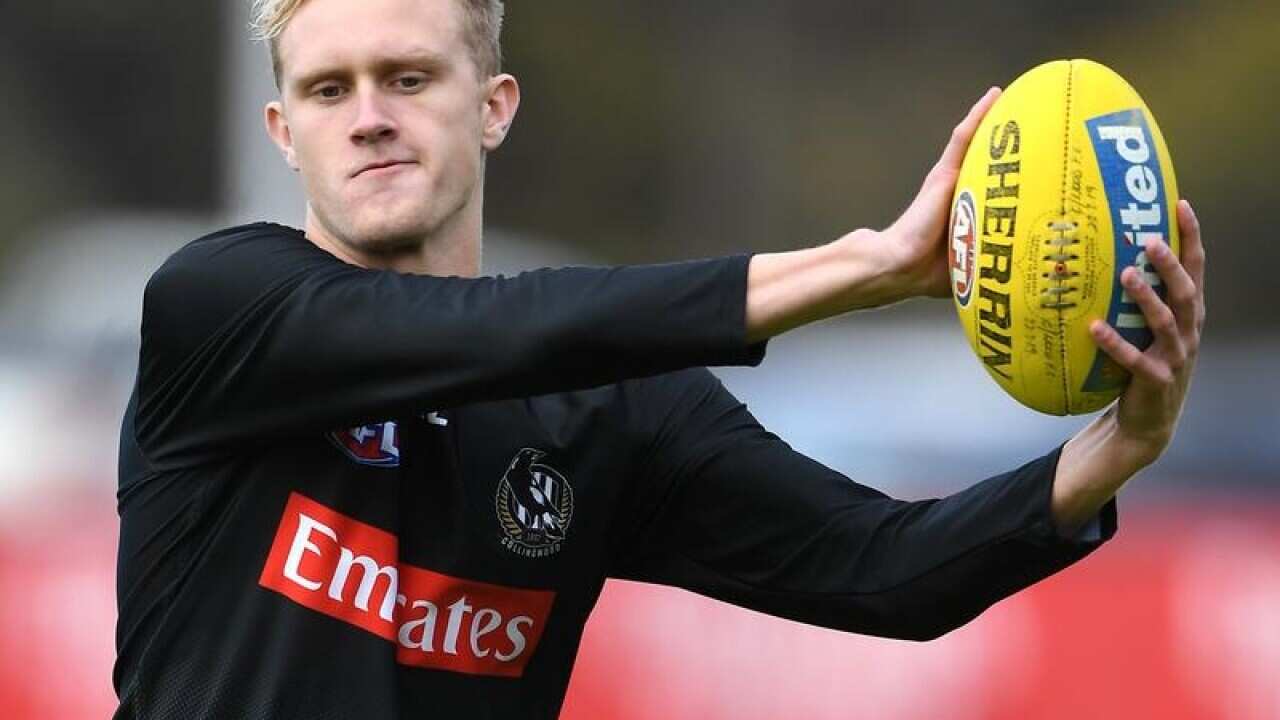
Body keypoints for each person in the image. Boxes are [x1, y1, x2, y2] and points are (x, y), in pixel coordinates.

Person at [113, 0, 1206, 717]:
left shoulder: (611, 411)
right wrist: (859, 267)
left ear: (492, 110)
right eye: (326, 89)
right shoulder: (220, 310)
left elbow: (883, 568)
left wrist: (1118, 449)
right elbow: (504, 331)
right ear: (280, 132)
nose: (366, 119)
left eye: (406, 79)